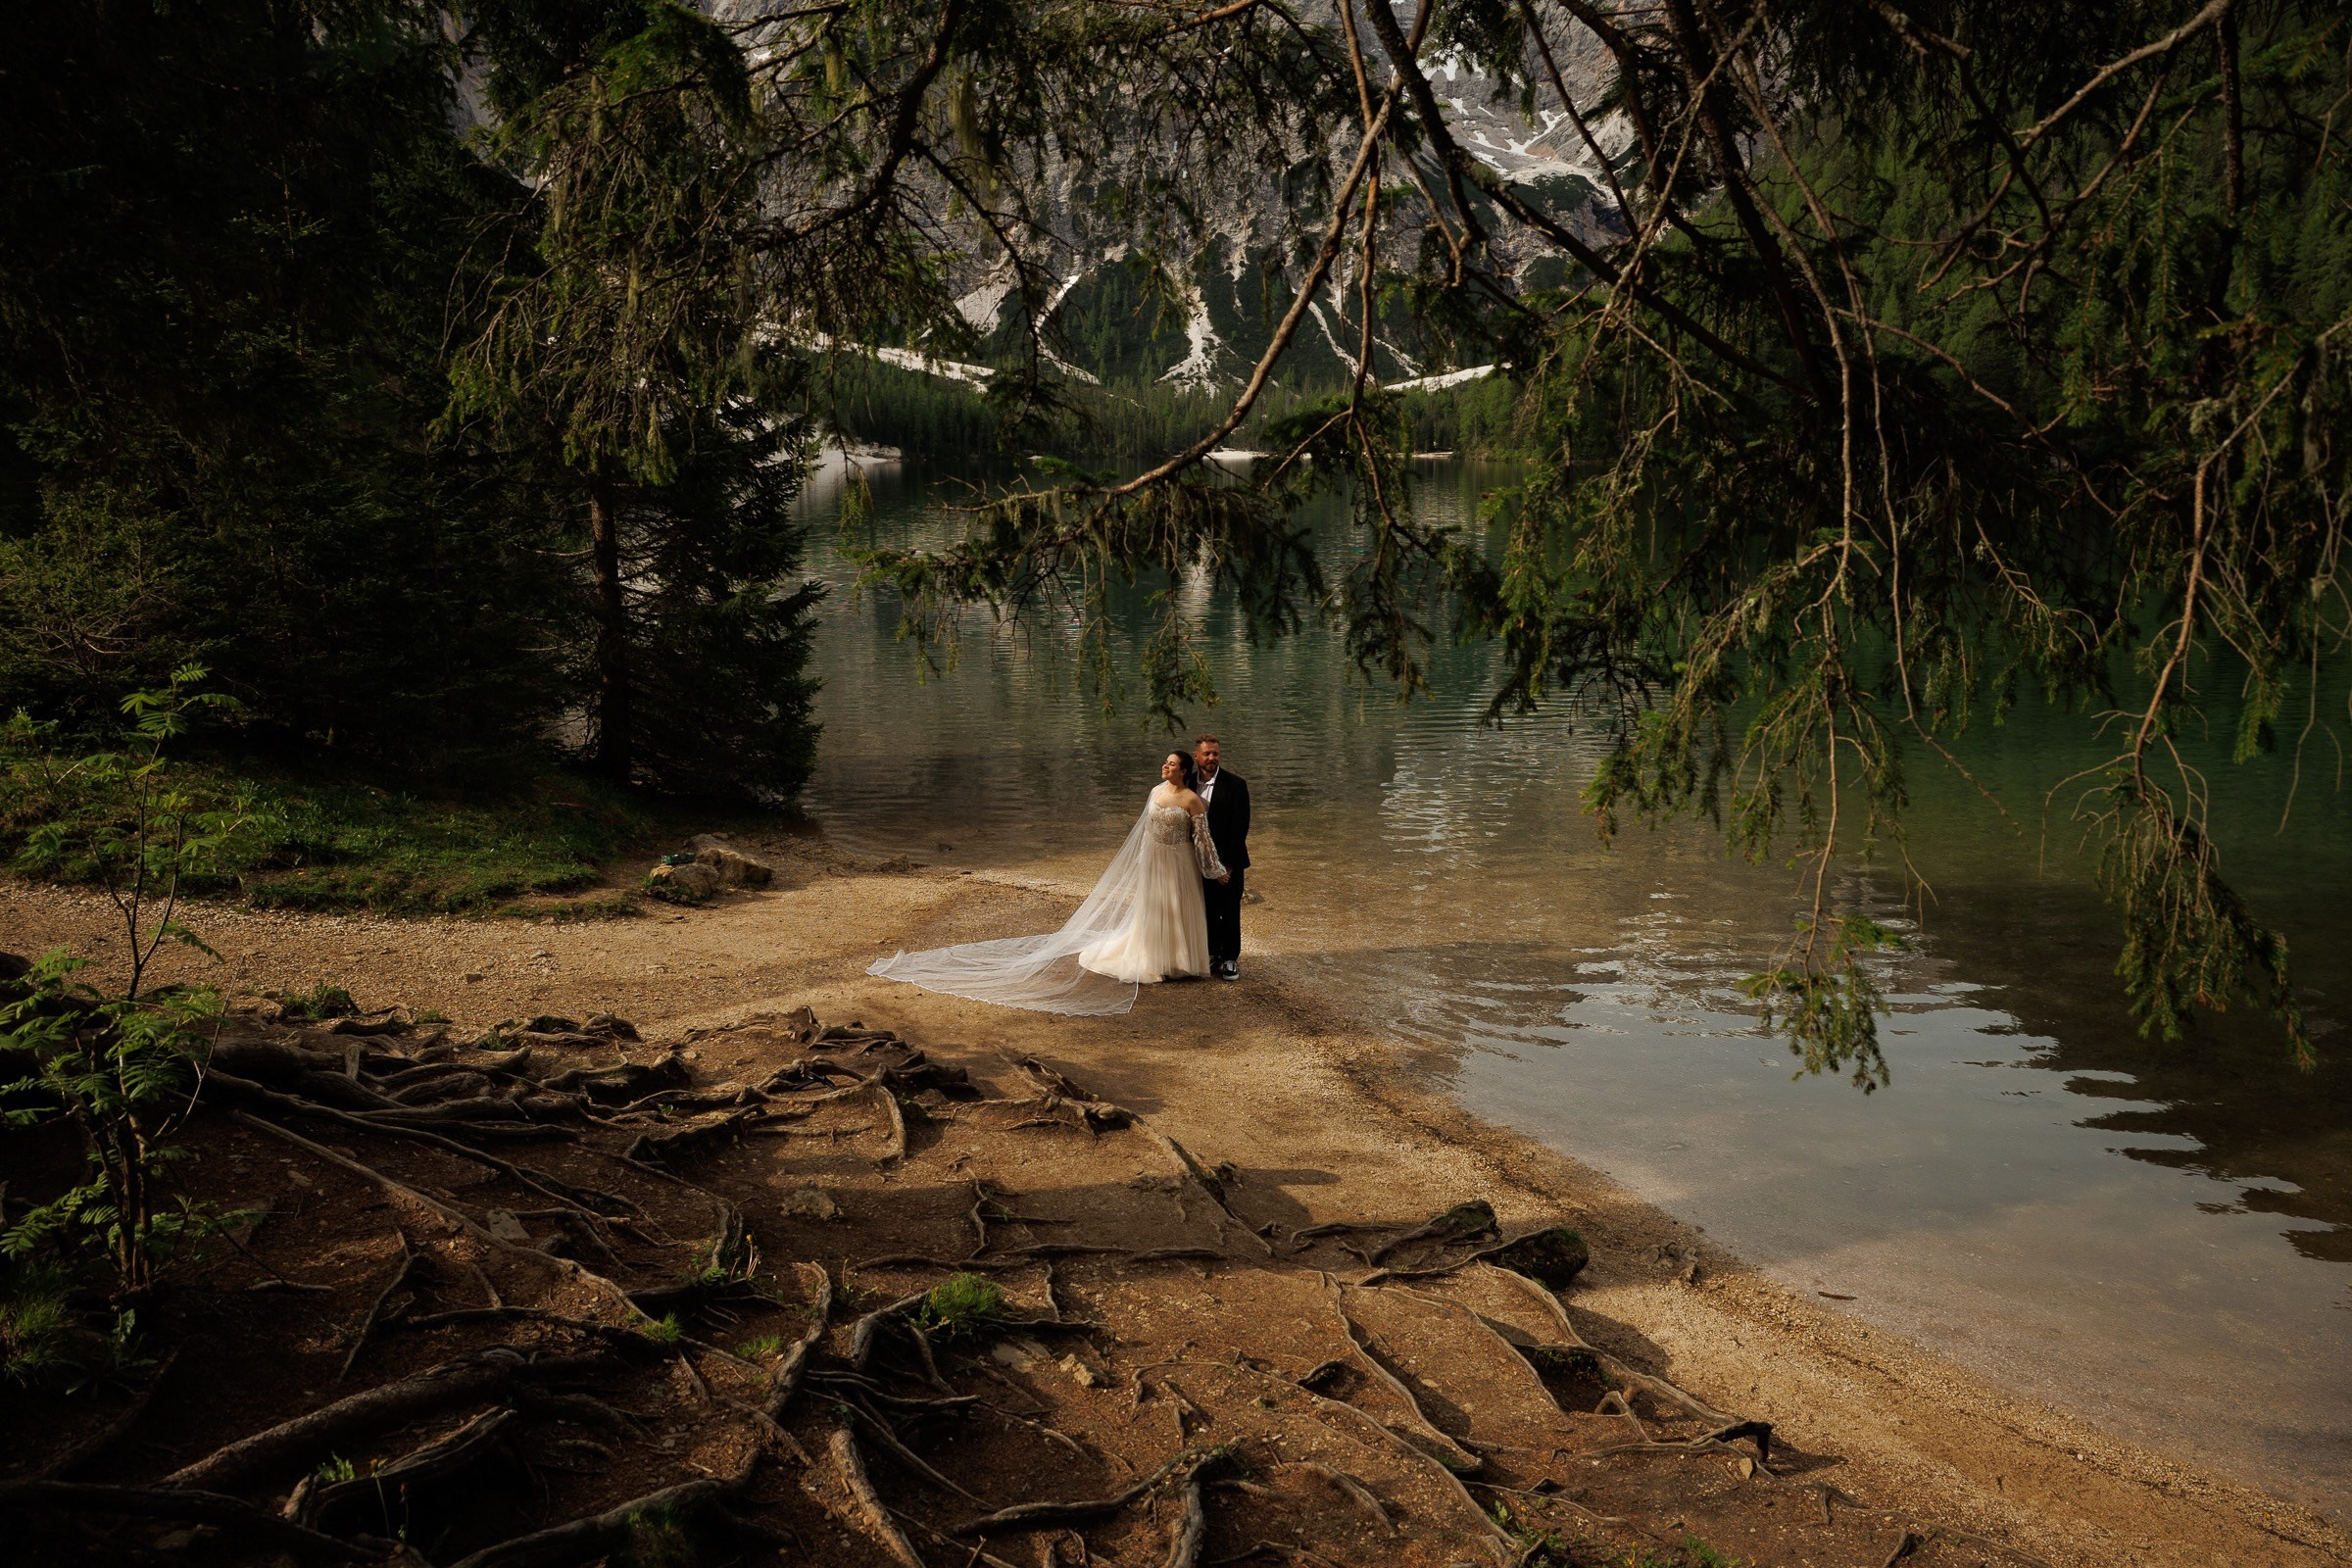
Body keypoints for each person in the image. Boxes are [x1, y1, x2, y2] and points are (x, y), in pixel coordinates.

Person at [865, 751, 1230, 1015]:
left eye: (1171, 763)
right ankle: (1156, 958)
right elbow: (1146, 829)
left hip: (1178, 861)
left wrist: (1215, 870)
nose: (1165, 766)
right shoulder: (1154, 792)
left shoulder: (1193, 802)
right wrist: (1140, 859)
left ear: (1184, 770)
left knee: (1178, 906)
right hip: (1154, 859)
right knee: (1152, 908)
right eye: (1164, 762)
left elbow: (1203, 841)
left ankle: (1179, 960)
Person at [1192, 735, 1250, 980]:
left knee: (1229, 909)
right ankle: (1212, 952)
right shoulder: (1186, 783)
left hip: (1229, 862)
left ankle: (1229, 959)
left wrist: (1225, 866)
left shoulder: (1236, 785)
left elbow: (1240, 828)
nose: (1212, 758)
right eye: (1207, 754)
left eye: (1215, 753)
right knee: (1207, 909)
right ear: (1197, 756)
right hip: (1197, 862)